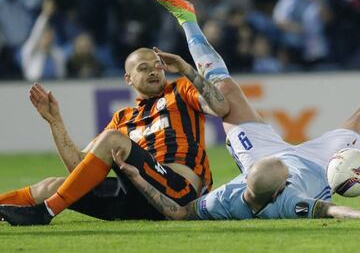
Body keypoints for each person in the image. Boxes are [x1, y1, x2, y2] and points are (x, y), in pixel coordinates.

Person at [112, 0, 360, 220]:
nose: (283, 166)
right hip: (321, 164)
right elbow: (333, 210)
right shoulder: (290, 203)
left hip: (257, 151)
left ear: (248, 178)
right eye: (281, 171)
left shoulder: (228, 200)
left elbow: (177, 212)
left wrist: (136, 177)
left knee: (225, 89)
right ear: (281, 187)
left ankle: (187, 19)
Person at [0, 44, 230, 225]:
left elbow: (221, 107)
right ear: (128, 79)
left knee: (112, 138)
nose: (153, 71)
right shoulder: (122, 118)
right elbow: (78, 169)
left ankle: (47, 211)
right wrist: (55, 122)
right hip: (138, 196)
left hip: (178, 192)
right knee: (51, 185)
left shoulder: (181, 90)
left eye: (158, 65)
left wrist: (186, 69)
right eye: (143, 67)